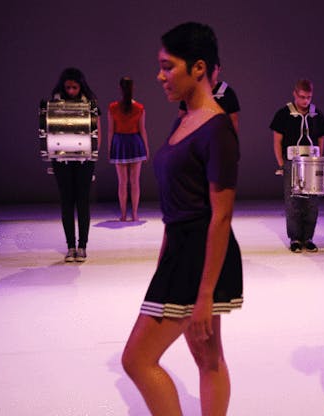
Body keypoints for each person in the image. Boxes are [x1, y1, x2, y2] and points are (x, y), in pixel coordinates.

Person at [121, 22, 243, 416]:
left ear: (199, 68)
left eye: (167, 66)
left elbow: (221, 215)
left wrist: (205, 295)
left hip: (198, 258)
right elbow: (178, 207)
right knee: (208, 358)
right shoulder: (183, 120)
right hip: (181, 252)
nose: (159, 76)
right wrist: (163, 256)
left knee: (137, 359)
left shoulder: (217, 128)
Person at [269, 79, 324, 253]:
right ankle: (295, 238)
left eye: (308, 97)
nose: (305, 101)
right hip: (291, 162)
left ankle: (308, 237)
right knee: (293, 201)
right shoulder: (283, 114)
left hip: (312, 163)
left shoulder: (316, 114)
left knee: (312, 202)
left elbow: (321, 139)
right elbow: (277, 141)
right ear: (295, 94)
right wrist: (281, 164)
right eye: (302, 97)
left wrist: (319, 160)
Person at [49, 67, 101, 262]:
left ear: (81, 86)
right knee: (66, 202)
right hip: (61, 160)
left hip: (84, 160)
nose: (71, 91)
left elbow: (97, 131)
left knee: (82, 202)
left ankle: (82, 246)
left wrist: (93, 156)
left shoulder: (90, 103)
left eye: (75, 87)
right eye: (68, 87)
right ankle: (70, 246)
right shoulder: (54, 102)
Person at [107, 77, 150, 221]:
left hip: (119, 143)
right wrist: (146, 147)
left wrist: (109, 148)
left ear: (120, 88)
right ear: (133, 88)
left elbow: (110, 131)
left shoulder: (113, 107)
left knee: (122, 182)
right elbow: (142, 130)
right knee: (135, 182)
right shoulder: (139, 108)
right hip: (135, 143)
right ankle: (135, 214)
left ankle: (124, 215)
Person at [178, 60, 240, 132]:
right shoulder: (191, 91)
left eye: (213, 69)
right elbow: (181, 119)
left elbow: (233, 123)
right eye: (207, 69)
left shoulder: (227, 92)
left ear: (218, 69)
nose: (210, 73)